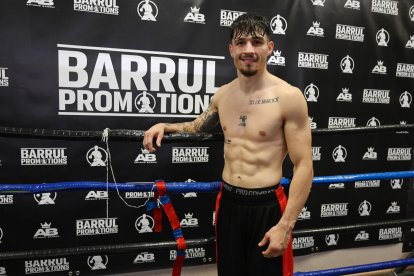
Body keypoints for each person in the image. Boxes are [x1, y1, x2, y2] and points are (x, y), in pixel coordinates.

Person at [143, 13, 313, 276]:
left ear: (269, 48)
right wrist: (165, 126)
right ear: (231, 49)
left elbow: (304, 166)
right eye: (241, 42)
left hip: (267, 206)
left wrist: (285, 225)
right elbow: (197, 126)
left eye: (257, 42)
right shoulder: (222, 95)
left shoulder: (289, 97)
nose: (248, 49)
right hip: (229, 204)